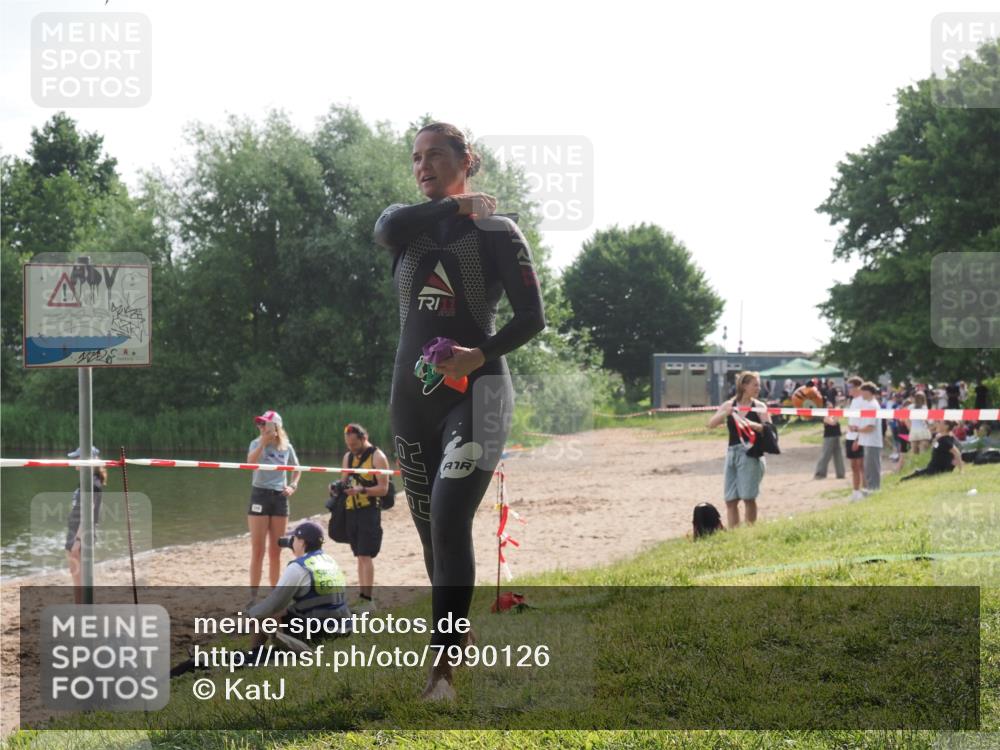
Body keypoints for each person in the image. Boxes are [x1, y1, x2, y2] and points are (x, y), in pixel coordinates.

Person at [373, 122, 546, 701]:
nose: (423, 165)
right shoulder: (406, 227)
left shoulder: (498, 230)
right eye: (416, 158)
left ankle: (440, 673)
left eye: (436, 155)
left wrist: (477, 354)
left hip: (482, 393)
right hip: (411, 399)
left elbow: (532, 319)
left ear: (466, 158)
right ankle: (457, 628)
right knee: (431, 540)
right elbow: (387, 225)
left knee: (449, 519)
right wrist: (452, 205)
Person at [247, 521, 352, 653]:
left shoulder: (298, 567)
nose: (292, 542)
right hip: (343, 629)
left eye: (294, 538)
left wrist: (251, 615)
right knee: (283, 609)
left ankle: (256, 652)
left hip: (318, 634)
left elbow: (273, 605)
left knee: (266, 613)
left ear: (302, 543)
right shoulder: (330, 561)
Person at [246, 410, 301, 603]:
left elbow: (297, 469)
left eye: (264, 424)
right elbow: (249, 464)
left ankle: (275, 596)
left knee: (276, 550)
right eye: (259, 424)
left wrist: (293, 485)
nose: (260, 427)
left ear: (275, 427)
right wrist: (262, 443)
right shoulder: (256, 443)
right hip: (260, 495)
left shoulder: (287, 447)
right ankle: (253, 597)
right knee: (258, 549)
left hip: (280, 497)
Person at [707, 370, 771, 529]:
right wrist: (724, 414)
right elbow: (710, 424)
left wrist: (757, 426)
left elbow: (769, 429)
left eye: (759, 385)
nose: (758, 388)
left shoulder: (759, 406)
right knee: (730, 499)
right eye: (755, 384)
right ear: (744, 386)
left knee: (749, 498)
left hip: (751, 454)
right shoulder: (729, 405)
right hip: (732, 453)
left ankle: (750, 531)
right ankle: (734, 533)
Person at [340, 423, 391, 611]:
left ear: (363, 438)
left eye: (354, 445)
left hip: (369, 510)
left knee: (365, 554)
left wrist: (362, 489)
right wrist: (336, 487)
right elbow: (343, 480)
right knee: (359, 555)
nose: (351, 448)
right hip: (351, 510)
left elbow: (384, 489)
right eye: (348, 445)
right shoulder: (348, 457)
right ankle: (362, 597)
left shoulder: (378, 457)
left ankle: (368, 599)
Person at [65, 445, 106, 604]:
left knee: (80, 580)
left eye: (78, 457)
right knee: (79, 578)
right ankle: (82, 611)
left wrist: (77, 540)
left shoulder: (91, 483)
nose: (74, 460)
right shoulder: (88, 481)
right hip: (77, 533)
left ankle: (83, 613)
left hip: (81, 535)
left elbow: (88, 513)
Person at [855, 382, 884, 496]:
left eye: (862, 391)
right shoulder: (869, 405)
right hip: (868, 441)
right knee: (868, 467)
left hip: (872, 442)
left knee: (872, 467)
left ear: (868, 392)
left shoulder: (872, 405)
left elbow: (870, 427)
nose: (861, 393)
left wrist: (857, 430)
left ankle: (874, 489)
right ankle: (870, 488)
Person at [843, 376, 866, 500]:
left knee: (861, 465)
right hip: (850, 435)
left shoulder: (863, 400)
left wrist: (858, 438)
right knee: (853, 466)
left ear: (858, 387)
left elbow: (864, 421)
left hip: (859, 436)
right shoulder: (853, 401)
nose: (848, 390)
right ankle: (856, 491)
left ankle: (865, 490)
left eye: (850, 387)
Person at [813, 400, 846, 480]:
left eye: (830, 405)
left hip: (837, 435)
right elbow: (833, 422)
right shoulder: (824, 416)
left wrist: (837, 412)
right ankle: (820, 473)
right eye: (828, 406)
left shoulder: (834, 413)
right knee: (825, 454)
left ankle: (840, 473)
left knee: (838, 455)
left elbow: (836, 417)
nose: (830, 406)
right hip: (829, 437)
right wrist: (837, 414)